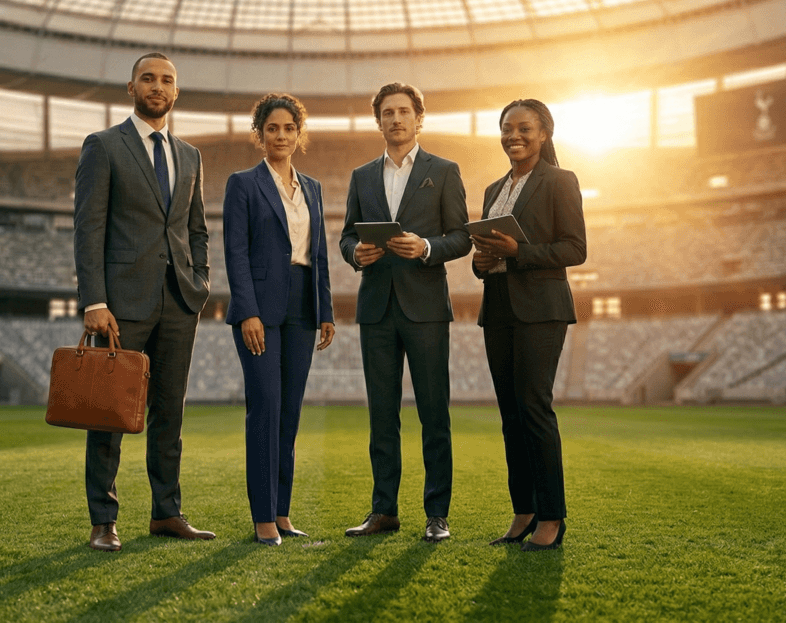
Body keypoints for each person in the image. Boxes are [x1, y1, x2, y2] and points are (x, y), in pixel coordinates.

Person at [74, 52, 214, 552]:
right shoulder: (104, 146)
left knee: (169, 414)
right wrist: (94, 299)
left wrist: (198, 282)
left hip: (179, 300)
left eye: (168, 80)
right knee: (109, 412)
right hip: (121, 304)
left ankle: (167, 513)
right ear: (130, 87)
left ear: (176, 92)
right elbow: (89, 228)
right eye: (148, 78)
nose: (158, 86)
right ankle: (103, 520)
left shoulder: (191, 155)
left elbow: (196, 228)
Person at [339, 82, 472, 543]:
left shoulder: (445, 170)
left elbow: (462, 236)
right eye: (387, 113)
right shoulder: (361, 176)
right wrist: (356, 254)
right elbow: (345, 238)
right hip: (377, 308)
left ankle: (437, 514)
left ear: (419, 118)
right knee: (382, 417)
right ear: (378, 121)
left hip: (426, 309)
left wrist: (426, 246)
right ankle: (384, 511)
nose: (395, 119)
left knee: (434, 414)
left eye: (403, 112)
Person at [471, 98, 586, 552]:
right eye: (506, 128)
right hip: (498, 308)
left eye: (523, 128)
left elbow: (575, 249)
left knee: (535, 410)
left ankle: (551, 517)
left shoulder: (561, 181)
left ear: (543, 134)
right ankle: (523, 510)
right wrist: (481, 261)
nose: (513, 135)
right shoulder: (492, 189)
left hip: (541, 308)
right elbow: (486, 259)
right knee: (510, 417)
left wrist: (519, 253)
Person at [223, 93, 336, 546]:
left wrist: (325, 310)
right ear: (259, 135)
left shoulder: (312, 188)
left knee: (289, 413)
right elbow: (235, 252)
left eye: (290, 128)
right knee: (266, 409)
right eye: (273, 128)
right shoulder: (243, 184)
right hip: (261, 310)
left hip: (302, 309)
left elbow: (320, 253)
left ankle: (283, 512)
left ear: (299, 134)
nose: (282, 135)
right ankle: (263, 517)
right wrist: (247, 310)